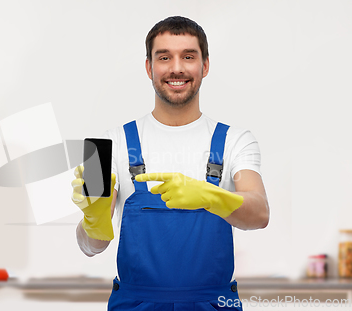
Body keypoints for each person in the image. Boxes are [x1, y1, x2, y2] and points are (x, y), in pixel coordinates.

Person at [71, 16, 269, 311]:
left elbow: (260, 213)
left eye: (188, 56)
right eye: (164, 57)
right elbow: (89, 248)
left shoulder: (236, 140)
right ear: (149, 67)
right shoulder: (106, 145)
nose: (176, 67)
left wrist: (209, 196)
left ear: (205, 65)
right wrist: (94, 223)